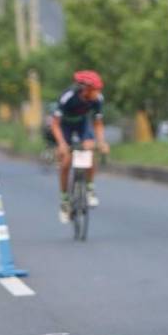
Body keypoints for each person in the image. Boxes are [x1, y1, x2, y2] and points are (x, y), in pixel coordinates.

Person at [52, 70, 110, 223]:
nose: (98, 93)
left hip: (82, 124)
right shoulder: (68, 97)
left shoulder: (98, 99)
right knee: (65, 162)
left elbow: (97, 123)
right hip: (65, 126)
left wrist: (101, 142)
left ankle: (90, 188)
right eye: (96, 90)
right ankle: (65, 201)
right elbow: (55, 125)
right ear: (86, 89)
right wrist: (62, 144)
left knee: (89, 151)